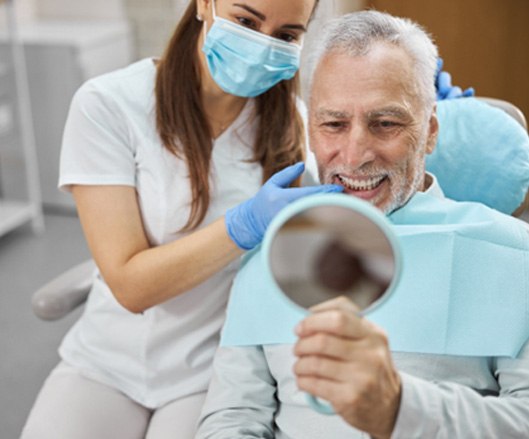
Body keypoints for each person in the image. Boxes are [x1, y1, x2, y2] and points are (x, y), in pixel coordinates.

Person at [196, 11, 529, 439]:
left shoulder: (514, 257)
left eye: (385, 124)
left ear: (429, 131)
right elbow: (232, 417)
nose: (354, 156)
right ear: (311, 130)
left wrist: (399, 408)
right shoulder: (271, 253)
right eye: (334, 124)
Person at [21, 1, 347, 438]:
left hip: (212, 371)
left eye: (286, 36)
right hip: (105, 361)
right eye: (246, 21)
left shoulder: (296, 128)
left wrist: (419, 117)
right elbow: (130, 287)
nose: (262, 44)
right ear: (205, 5)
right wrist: (242, 226)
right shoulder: (110, 105)